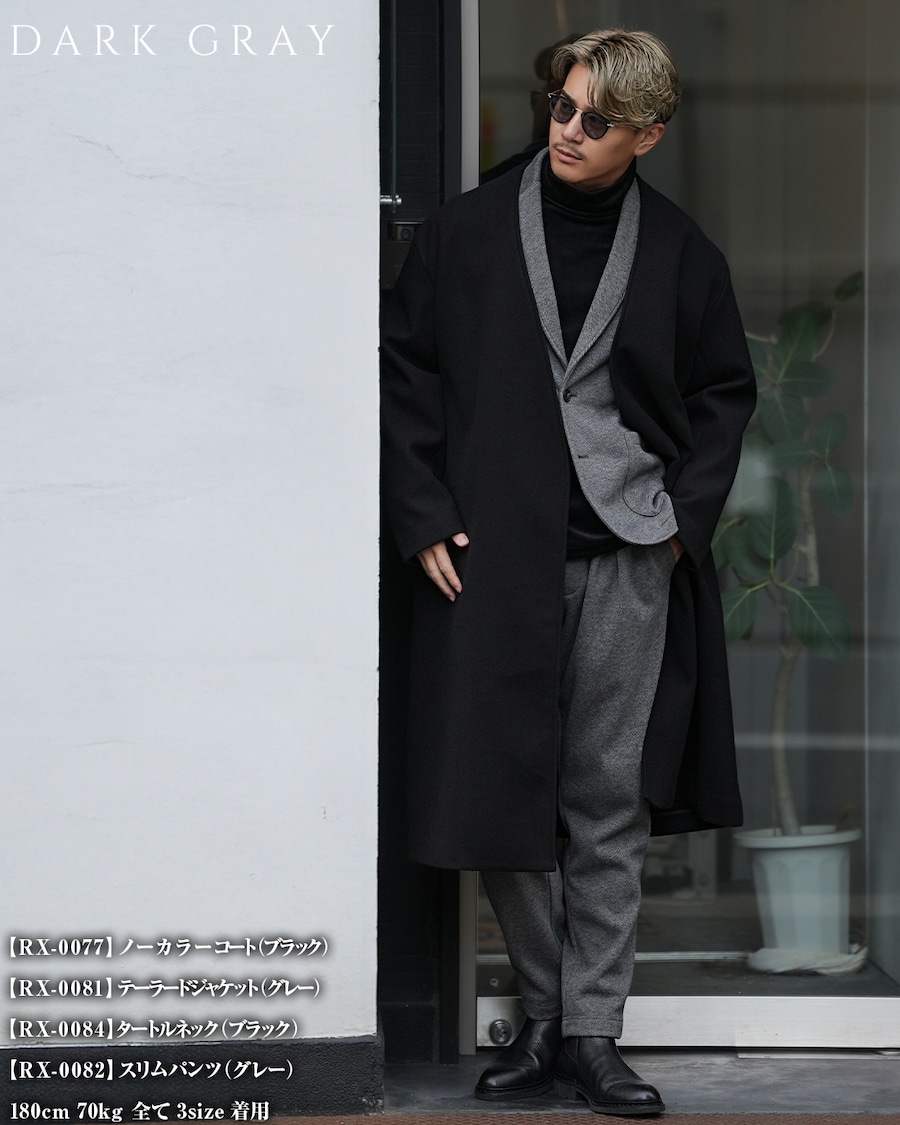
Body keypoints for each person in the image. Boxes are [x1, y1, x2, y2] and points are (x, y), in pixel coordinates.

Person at [381, 28, 756, 1117]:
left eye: (598, 120)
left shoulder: (682, 254)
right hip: (491, 557)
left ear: (648, 136)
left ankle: (593, 1033)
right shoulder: (465, 234)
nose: (570, 130)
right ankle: (544, 1016)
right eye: (563, 107)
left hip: (629, 559)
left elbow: (723, 396)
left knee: (606, 800)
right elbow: (404, 370)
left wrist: (678, 527)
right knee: (507, 791)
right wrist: (422, 514)